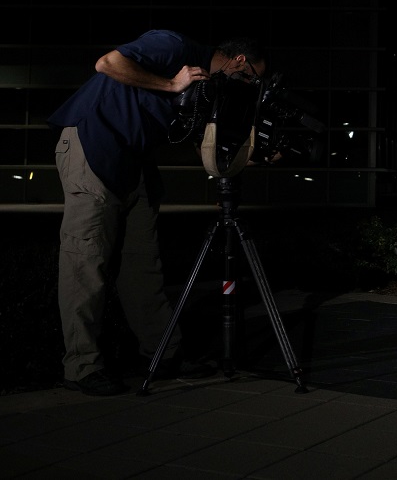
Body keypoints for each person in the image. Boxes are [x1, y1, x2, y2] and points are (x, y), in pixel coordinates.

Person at [48, 29, 266, 396]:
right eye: (250, 77)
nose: (247, 86)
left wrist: (249, 157)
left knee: (142, 264)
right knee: (87, 261)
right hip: (93, 144)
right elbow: (108, 63)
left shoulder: (208, 88)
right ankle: (81, 367)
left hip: (135, 160)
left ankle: (163, 355)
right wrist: (170, 83)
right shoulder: (174, 46)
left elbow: (203, 145)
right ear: (239, 62)